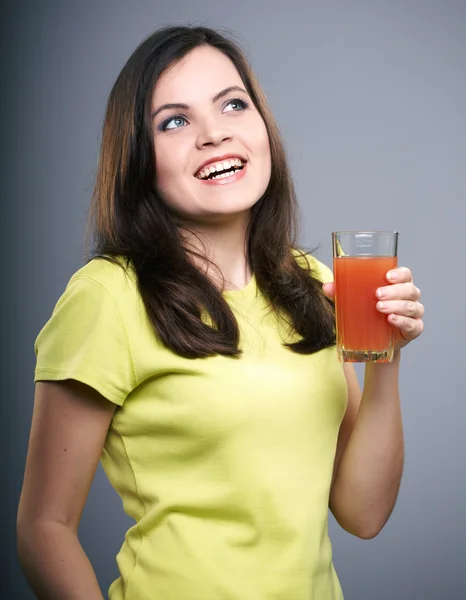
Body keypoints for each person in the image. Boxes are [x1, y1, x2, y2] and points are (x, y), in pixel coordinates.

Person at [16, 25, 424, 600]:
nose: (215, 134)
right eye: (175, 121)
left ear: (263, 129)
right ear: (139, 158)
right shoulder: (106, 297)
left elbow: (362, 513)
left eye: (233, 104)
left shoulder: (313, 284)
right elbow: (43, 528)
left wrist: (386, 358)